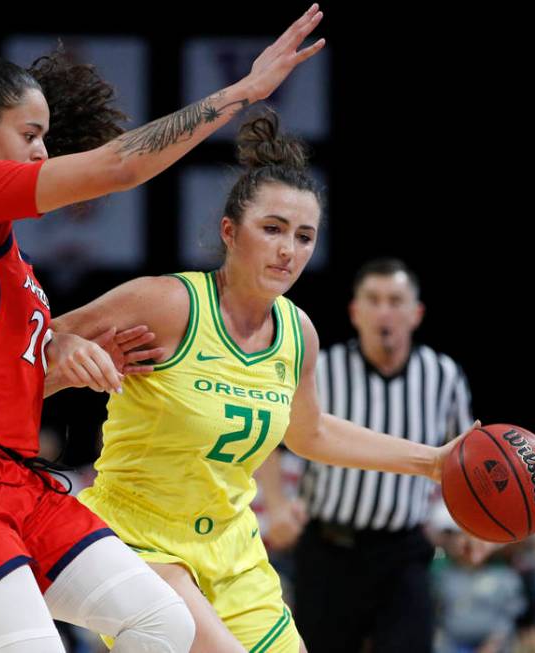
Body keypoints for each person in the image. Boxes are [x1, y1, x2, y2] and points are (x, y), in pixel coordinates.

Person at [0, 7, 327, 653]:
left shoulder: (8, 263)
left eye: (46, 137)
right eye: (30, 133)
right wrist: (243, 92)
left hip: (12, 474)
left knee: (162, 621)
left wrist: (66, 353)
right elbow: (119, 166)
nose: (41, 152)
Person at [48, 109, 478, 652]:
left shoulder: (298, 333)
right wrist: (70, 357)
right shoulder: (167, 302)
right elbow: (31, 350)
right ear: (230, 232)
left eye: (304, 236)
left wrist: (434, 462)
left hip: (232, 548)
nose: (288, 250)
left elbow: (311, 433)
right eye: (272, 229)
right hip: (137, 537)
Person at [259, 257, 474, 653]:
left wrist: (470, 529)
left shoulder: (443, 376)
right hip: (329, 548)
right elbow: (268, 435)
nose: (384, 311)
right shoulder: (322, 370)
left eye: (395, 300)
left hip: (404, 551)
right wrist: (276, 504)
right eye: (373, 300)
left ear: (416, 313)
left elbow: (464, 464)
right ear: (355, 312)